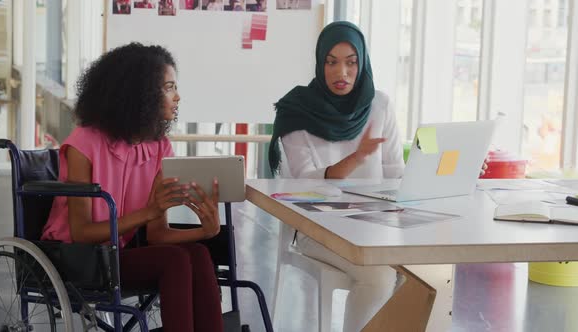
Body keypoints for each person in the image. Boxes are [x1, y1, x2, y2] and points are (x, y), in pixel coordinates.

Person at [41, 43, 223, 332]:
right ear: (142, 94)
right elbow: (81, 233)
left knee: (198, 252)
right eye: (169, 88)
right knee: (175, 260)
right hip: (77, 258)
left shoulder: (158, 147)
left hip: (114, 256)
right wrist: (150, 210)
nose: (177, 97)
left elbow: (156, 233)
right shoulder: (84, 143)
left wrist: (206, 231)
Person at [268, 21, 402, 332]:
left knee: (423, 269)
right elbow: (305, 182)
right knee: (379, 275)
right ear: (320, 63)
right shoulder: (296, 110)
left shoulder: (379, 104)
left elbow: (396, 171)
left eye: (351, 62)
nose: (341, 72)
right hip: (317, 228)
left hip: (375, 224)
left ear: (362, 63)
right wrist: (357, 158)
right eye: (331, 62)